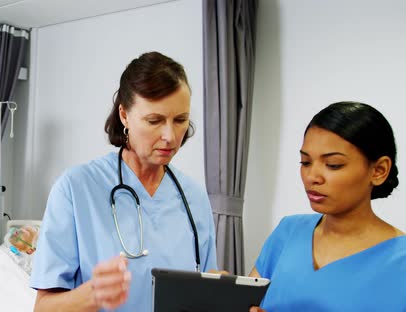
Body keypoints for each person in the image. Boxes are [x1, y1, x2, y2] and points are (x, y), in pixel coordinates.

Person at [30, 51, 218, 311]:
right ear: (124, 115)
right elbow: (43, 308)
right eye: (154, 120)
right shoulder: (76, 188)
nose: (170, 136)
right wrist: (92, 295)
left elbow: (205, 294)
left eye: (180, 120)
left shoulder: (194, 198)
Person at [249, 102, 406, 311]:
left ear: (379, 170)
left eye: (333, 165)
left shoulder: (400, 262)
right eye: (305, 162)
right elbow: (249, 303)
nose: (312, 177)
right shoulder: (288, 232)